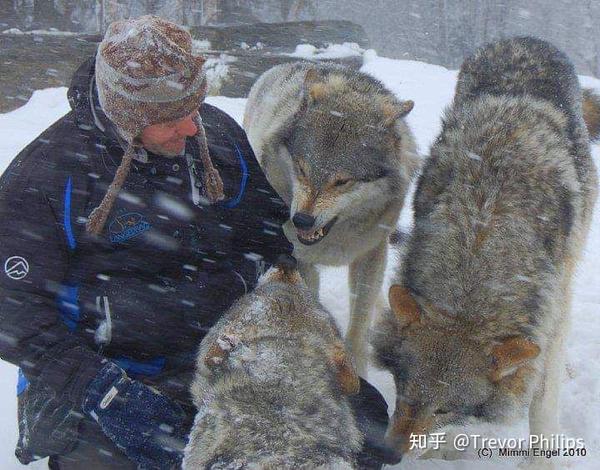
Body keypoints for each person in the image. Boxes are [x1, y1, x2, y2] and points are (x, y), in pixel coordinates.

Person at [0, 15, 389, 469]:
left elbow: (266, 235)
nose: (190, 127)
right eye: (170, 119)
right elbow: (13, 313)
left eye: (194, 108)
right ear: (128, 117)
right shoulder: (47, 176)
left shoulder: (214, 134)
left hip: (221, 355)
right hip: (108, 372)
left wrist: (283, 336)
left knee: (367, 432)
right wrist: (100, 389)